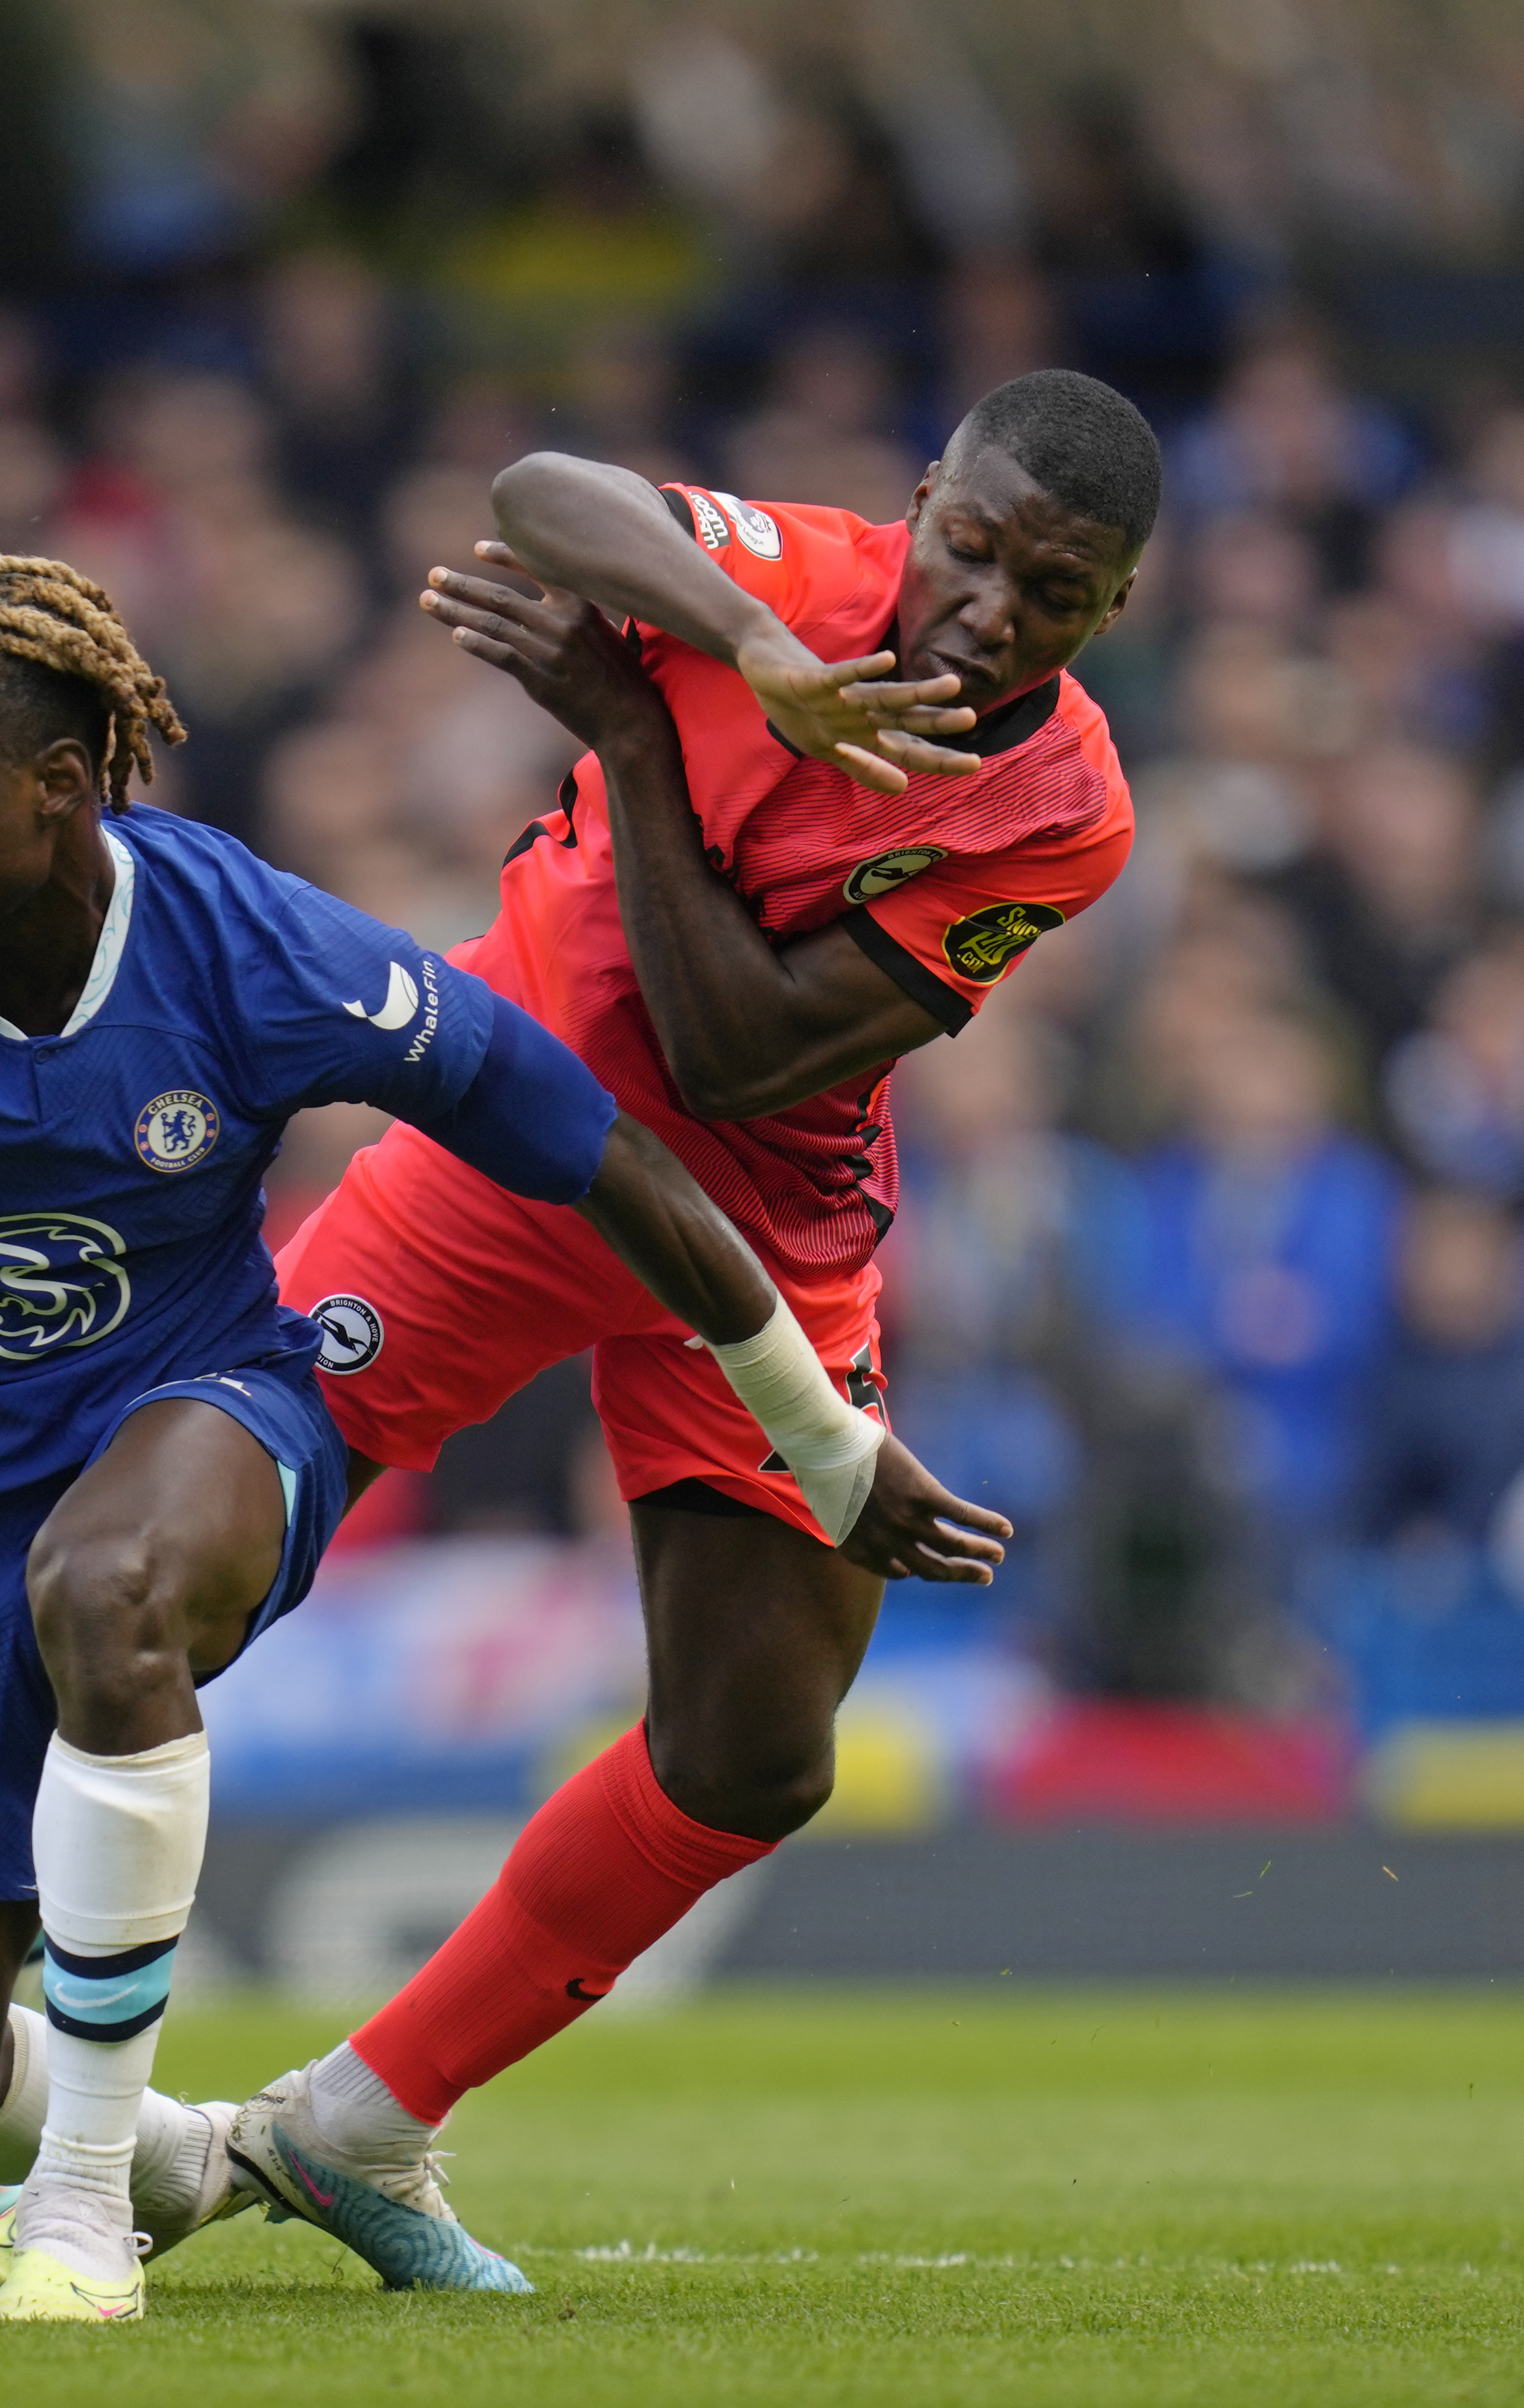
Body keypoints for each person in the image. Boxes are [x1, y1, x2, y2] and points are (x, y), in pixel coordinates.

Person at [0, 555, 1003, 2321]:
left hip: (204, 1422)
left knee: (112, 1582)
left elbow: (601, 1154)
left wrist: (813, 1435)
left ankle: (76, 2213)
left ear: (55, 795)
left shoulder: (243, 943)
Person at [233, 371, 1153, 2258]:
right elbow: (532, 481)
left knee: (751, 1748)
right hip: (505, 1151)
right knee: (188, 1546)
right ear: (919, 503)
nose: (980, 608)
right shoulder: (793, 581)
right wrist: (732, 643)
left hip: (752, 1230)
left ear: (1105, 613)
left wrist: (632, 733)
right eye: (964, 548)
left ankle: (354, 2121)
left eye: (1045, 592)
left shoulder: (1062, 810)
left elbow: (733, 1058)